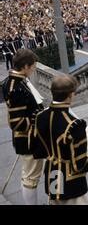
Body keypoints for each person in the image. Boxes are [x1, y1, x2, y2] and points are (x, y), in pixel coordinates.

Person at [31, 75, 88, 205]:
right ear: (70, 95)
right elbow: (80, 165)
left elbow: (38, 151)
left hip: (52, 175)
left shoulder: (40, 116)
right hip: (72, 184)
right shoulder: (75, 126)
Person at [2, 49, 45, 205]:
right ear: (25, 66)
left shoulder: (16, 80)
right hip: (28, 139)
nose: (34, 69)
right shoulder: (16, 86)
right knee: (31, 178)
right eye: (33, 66)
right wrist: (41, 120)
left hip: (30, 137)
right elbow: (17, 123)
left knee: (29, 175)